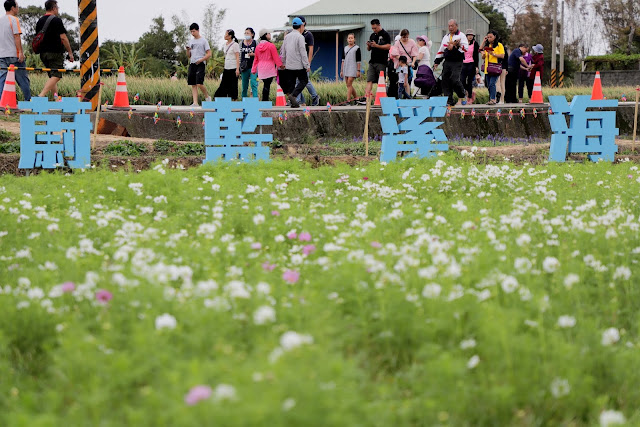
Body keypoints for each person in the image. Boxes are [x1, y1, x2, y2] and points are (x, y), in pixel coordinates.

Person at [36, 0, 74, 98]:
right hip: (55, 52)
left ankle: (56, 98)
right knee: (57, 75)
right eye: (57, 8)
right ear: (54, 8)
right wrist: (70, 53)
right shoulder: (56, 20)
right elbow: (63, 37)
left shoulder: (40, 21)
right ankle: (41, 95)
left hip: (43, 53)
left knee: (52, 76)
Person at [433, 19, 468, 106]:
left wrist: (457, 45)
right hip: (447, 61)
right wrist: (437, 61)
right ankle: (449, 100)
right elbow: (441, 50)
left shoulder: (461, 35)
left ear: (456, 26)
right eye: (449, 26)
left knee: (454, 79)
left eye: (452, 26)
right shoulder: (446, 37)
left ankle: (462, 94)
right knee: (445, 80)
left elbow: (465, 48)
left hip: (457, 61)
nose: (450, 28)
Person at [0, 0, 29, 102]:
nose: (18, 8)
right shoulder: (14, 19)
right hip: (13, 54)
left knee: (2, 80)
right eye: (17, 6)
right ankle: (28, 101)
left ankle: (1, 103)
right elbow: (16, 36)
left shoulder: (1, 20)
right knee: (22, 79)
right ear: (13, 8)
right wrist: (20, 52)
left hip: (1, 55)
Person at [279, 17, 309, 108]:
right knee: (304, 80)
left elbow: (283, 51)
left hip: (289, 65)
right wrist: (306, 65)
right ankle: (294, 96)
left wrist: (283, 63)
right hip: (299, 65)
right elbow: (303, 52)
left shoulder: (287, 37)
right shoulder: (300, 37)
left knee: (291, 84)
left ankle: (293, 103)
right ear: (301, 26)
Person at [364, 19, 391, 102]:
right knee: (369, 80)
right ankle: (367, 98)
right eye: (372, 28)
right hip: (372, 61)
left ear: (379, 25)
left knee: (381, 81)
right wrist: (369, 45)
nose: (374, 30)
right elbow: (369, 49)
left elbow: (388, 46)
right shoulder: (372, 35)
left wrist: (377, 46)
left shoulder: (385, 34)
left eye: (375, 28)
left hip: (381, 61)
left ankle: (381, 98)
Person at [252, 28, 282, 103]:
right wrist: (280, 65)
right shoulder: (271, 46)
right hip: (270, 68)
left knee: (266, 84)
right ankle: (265, 101)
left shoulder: (258, 47)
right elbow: (276, 57)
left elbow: (256, 59)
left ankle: (264, 100)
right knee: (267, 85)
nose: (270, 34)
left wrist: (254, 69)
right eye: (269, 33)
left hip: (261, 68)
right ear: (265, 35)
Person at [295, 16, 320, 106]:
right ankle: (299, 100)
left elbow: (311, 49)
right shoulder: (296, 35)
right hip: (297, 61)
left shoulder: (308, 34)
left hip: (304, 61)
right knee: (297, 81)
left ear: (304, 23)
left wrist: (309, 62)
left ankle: (315, 96)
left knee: (305, 81)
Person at [186, 23, 211, 107]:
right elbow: (189, 55)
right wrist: (187, 50)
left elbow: (209, 53)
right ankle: (195, 102)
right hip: (192, 63)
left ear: (197, 30)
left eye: (193, 31)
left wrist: (201, 60)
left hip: (200, 63)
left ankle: (207, 97)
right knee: (193, 83)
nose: (192, 33)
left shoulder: (203, 41)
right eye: (191, 32)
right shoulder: (191, 41)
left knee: (199, 83)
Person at [214, 29, 240, 100]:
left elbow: (237, 57)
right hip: (226, 67)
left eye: (226, 34)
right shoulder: (225, 45)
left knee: (233, 85)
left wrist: (237, 69)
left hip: (233, 67)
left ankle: (234, 100)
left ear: (230, 36)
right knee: (224, 85)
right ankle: (223, 100)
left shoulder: (235, 45)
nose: (224, 36)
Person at [480, 30, 504, 105]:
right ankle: (492, 98)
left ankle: (493, 99)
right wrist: (484, 41)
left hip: (495, 67)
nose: (489, 38)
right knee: (488, 84)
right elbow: (480, 50)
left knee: (492, 83)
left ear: (495, 37)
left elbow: (502, 55)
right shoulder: (487, 46)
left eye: (491, 37)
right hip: (487, 68)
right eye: (488, 37)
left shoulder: (499, 45)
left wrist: (493, 53)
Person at [340, 33, 360, 103]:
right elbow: (343, 60)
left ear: (354, 39)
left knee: (349, 84)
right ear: (347, 39)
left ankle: (347, 101)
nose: (350, 39)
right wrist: (341, 70)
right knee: (349, 85)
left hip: (353, 68)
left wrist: (358, 70)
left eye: (352, 38)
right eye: (349, 38)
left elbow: (358, 61)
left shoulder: (357, 48)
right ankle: (356, 99)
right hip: (346, 67)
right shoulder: (345, 48)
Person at [461, 28, 479, 104]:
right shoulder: (463, 43)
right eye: (469, 35)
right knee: (462, 80)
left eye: (472, 35)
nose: (470, 37)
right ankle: (468, 92)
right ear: (466, 36)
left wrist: (476, 66)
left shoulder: (475, 44)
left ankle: (469, 97)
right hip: (463, 63)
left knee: (470, 81)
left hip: (471, 63)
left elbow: (476, 56)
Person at [240, 27, 258, 98]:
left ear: (252, 34)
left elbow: (260, 54)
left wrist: (253, 54)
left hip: (253, 66)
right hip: (244, 67)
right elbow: (239, 55)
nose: (246, 34)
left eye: (248, 33)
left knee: (253, 83)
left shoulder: (255, 43)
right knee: (244, 86)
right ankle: (244, 101)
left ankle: (255, 99)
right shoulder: (241, 43)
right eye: (245, 33)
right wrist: (238, 67)